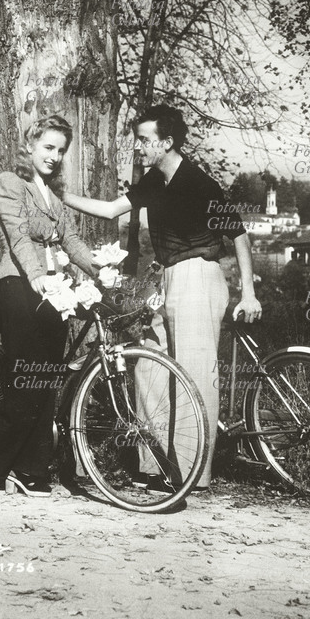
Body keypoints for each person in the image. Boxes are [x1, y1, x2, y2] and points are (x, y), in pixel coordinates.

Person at [63, 104, 262, 491]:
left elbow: (237, 235)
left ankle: (191, 475)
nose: (137, 147)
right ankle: (155, 464)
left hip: (200, 277)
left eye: (143, 140)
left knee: (193, 371)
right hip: (168, 277)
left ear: (166, 142)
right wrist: (60, 196)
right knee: (149, 366)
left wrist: (248, 293)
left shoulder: (198, 183)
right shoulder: (155, 181)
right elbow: (109, 210)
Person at [0, 114, 110, 497]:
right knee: (26, 383)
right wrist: (38, 275)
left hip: (53, 291)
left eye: (60, 150)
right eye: (48, 147)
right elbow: (19, 236)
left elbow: (70, 240)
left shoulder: (53, 195)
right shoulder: (10, 183)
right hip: (20, 286)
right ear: (30, 146)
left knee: (45, 384)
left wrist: (99, 267)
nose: (54, 156)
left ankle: (28, 469)